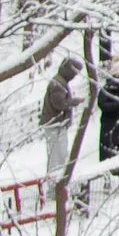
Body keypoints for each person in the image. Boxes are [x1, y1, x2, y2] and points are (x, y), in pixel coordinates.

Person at [36, 54, 79, 197]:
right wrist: (73, 102)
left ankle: (56, 187)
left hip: (57, 125)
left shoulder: (59, 82)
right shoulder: (58, 84)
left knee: (59, 156)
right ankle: (53, 189)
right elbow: (59, 103)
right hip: (55, 126)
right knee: (57, 157)